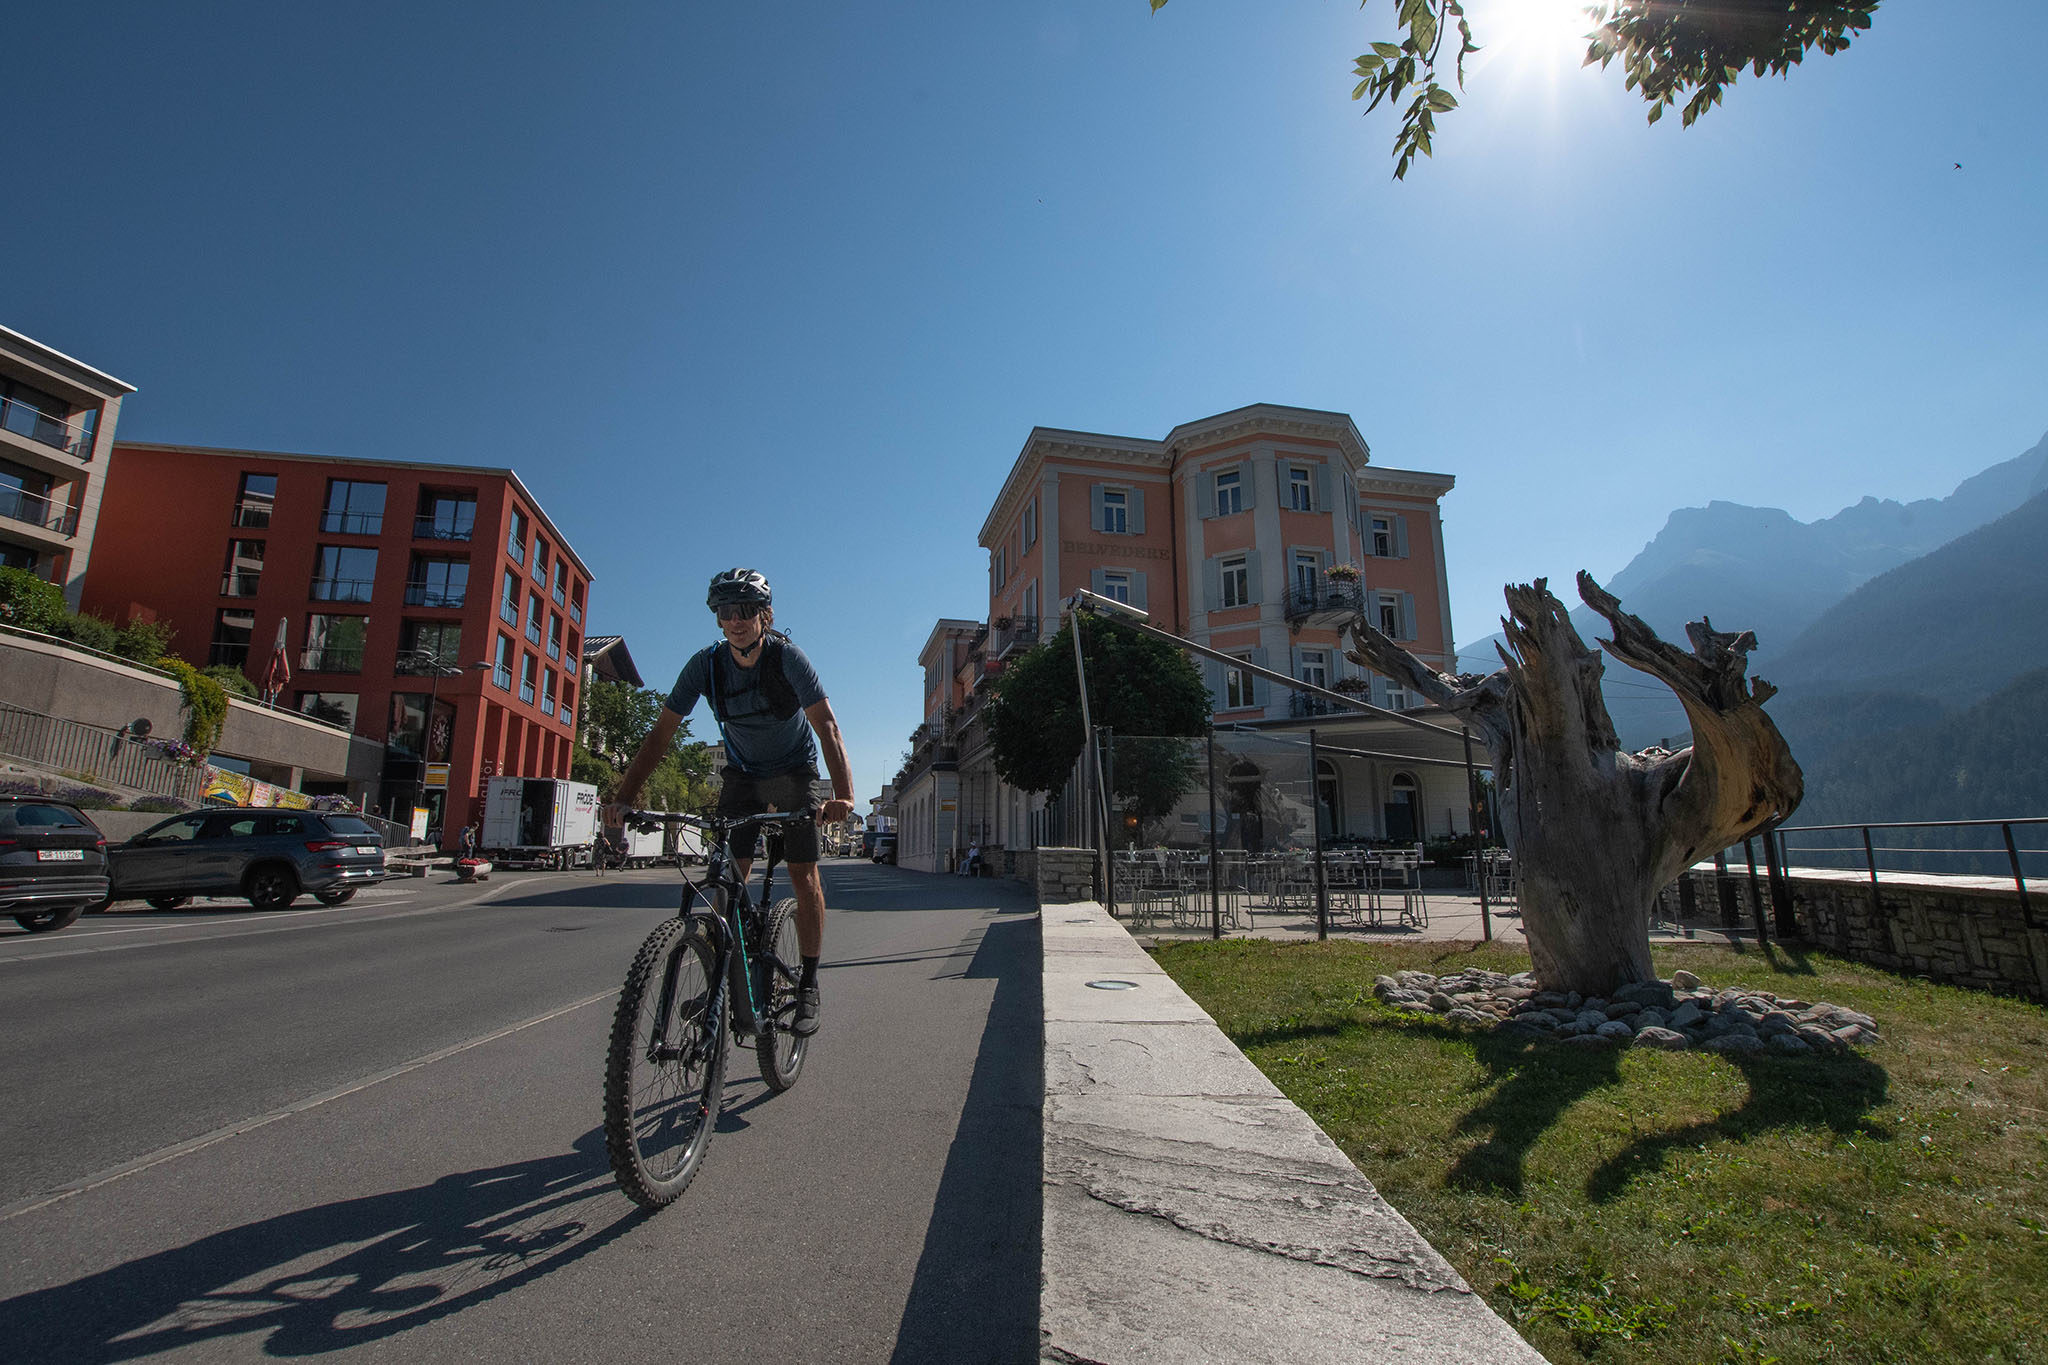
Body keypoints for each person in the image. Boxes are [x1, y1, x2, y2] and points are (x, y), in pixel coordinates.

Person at [605, 568, 854, 1037]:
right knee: (726, 877)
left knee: (803, 874)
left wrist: (842, 795)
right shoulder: (706, 666)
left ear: (765, 614)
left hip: (793, 772)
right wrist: (622, 800)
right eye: (725, 611)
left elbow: (828, 727)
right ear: (717, 619)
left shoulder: (788, 659)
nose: (735, 620)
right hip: (742, 775)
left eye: (744, 610)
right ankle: (723, 979)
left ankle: (808, 987)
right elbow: (660, 737)